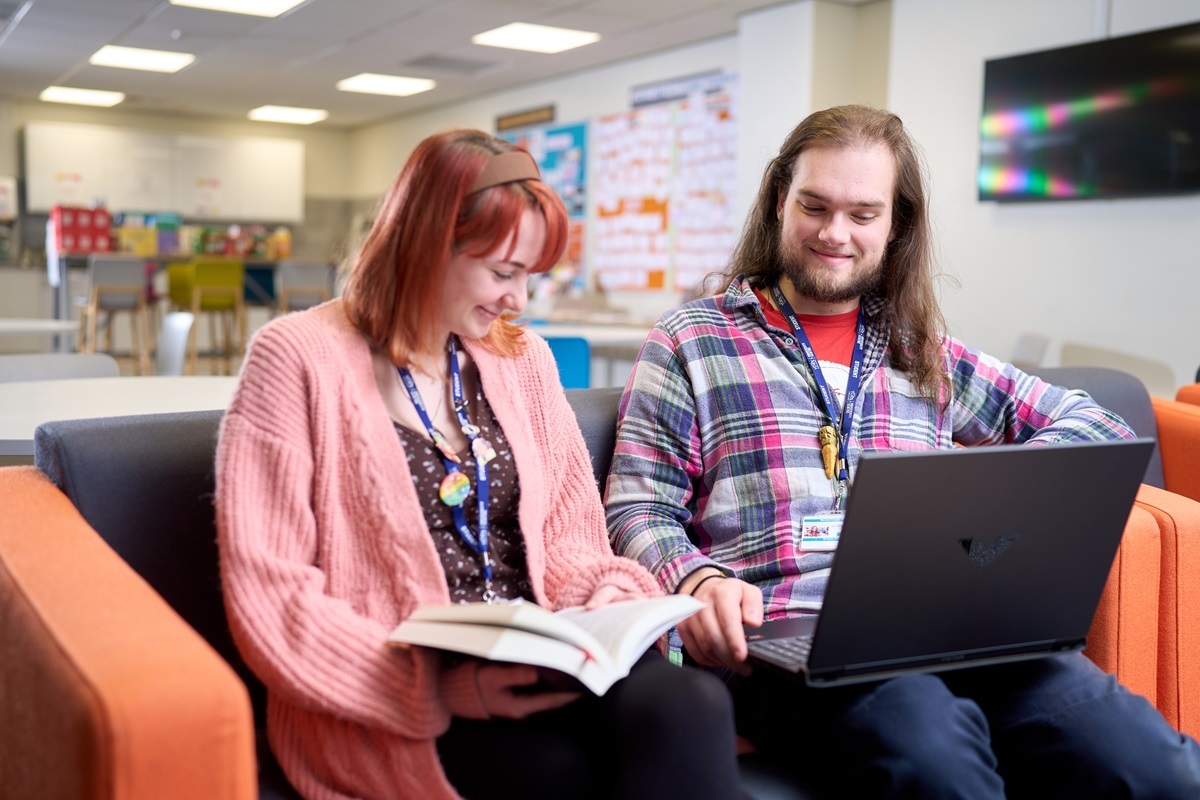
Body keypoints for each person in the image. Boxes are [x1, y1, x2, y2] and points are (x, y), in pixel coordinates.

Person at [605, 104, 1200, 798]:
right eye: (815, 206)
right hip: (785, 641)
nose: (835, 233)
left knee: (1151, 763)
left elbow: (1092, 423)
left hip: (945, 624)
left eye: (863, 214)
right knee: (929, 747)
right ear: (778, 202)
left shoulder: (920, 350)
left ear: (896, 225)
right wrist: (698, 581)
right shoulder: (691, 339)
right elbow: (637, 505)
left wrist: (984, 494)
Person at [215, 129, 741, 800]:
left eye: (529, 276)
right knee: (564, 769)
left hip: (547, 657)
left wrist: (607, 607)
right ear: (426, 245)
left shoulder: (522, 360)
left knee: (692, 704)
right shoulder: (293, 360)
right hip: (401, 699)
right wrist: (439, 688)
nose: (519, 301)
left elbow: (572, 540)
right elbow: (274, 598)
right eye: (502, 272)